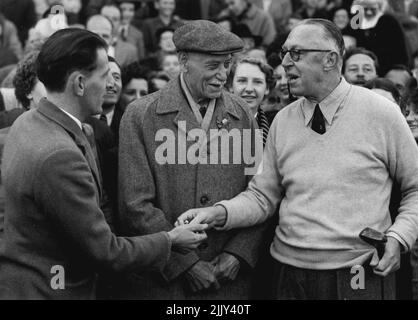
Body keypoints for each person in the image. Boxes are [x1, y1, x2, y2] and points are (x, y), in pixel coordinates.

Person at [177, 18, 418, 300]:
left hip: (359, 274)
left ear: (330, 59)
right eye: (285, 53)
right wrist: (217, 213)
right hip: (288, 275)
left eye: (297, 53)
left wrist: (399, 236)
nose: (287, 63)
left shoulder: (381, 114)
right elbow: (262, 197)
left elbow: (415, 188)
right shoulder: (283, 120)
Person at [0, 28, 207, 300]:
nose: (112, 84)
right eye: (104, 76)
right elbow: (105, 252)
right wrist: (171, 239)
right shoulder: (59, 155)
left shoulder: (35, 121)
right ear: (79, 84)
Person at [116, 20, 265, 300]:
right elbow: (134, 206)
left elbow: (259, 192)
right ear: (183, 61)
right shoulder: (140, 115)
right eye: (212, 66)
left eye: (227, 65)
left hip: (229, 284)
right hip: (166, 285)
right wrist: (185, 265)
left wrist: (238, 254)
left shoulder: (242, 113)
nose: (222, 75)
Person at [228, 56, 275, 147]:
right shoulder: (216, 122)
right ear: (230, 86)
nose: (249, 89)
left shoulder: (274, 127)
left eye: (257, 82)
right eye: (242, 81)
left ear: (267, 88)